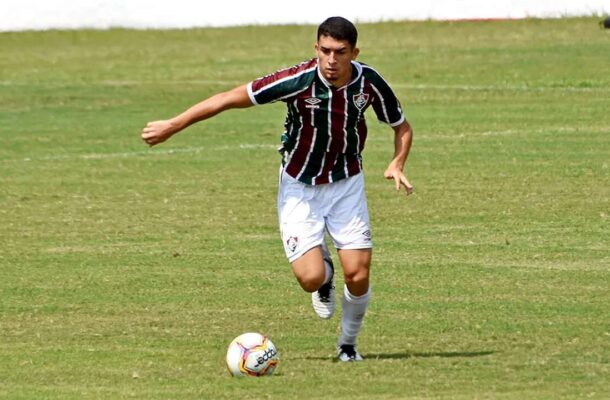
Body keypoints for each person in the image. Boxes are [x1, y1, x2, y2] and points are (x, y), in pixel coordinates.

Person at [141, 16, 413, 362]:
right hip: (300, 186)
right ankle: (324, 279)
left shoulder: (369, 82)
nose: (331, 60)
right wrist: (173, 125)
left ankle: (348, 345)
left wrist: (397, 162)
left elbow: (401, 126)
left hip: (347, 183)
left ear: (354, 52)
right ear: (316, 49)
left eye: (340, 53)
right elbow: (228, 98)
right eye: (325, 51)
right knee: (311, 278)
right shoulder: (296, 80)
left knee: (358, 275)